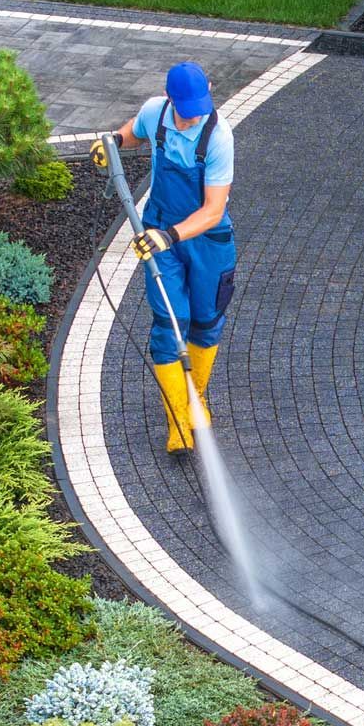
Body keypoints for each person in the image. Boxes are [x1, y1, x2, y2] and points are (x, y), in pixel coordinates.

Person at [91, 61, 236, 456]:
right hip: (160, 234)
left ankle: (196, 399)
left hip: (207, 240)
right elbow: (132, 132)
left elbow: (211, 210)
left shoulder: (218, 137)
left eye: (199, 107)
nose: (192, 117)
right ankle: (177, 419)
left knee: (206, 321)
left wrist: (168, 236)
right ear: (170, 98)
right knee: (170, 323)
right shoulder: (155, 112)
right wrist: (114, 143)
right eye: (186, 109)